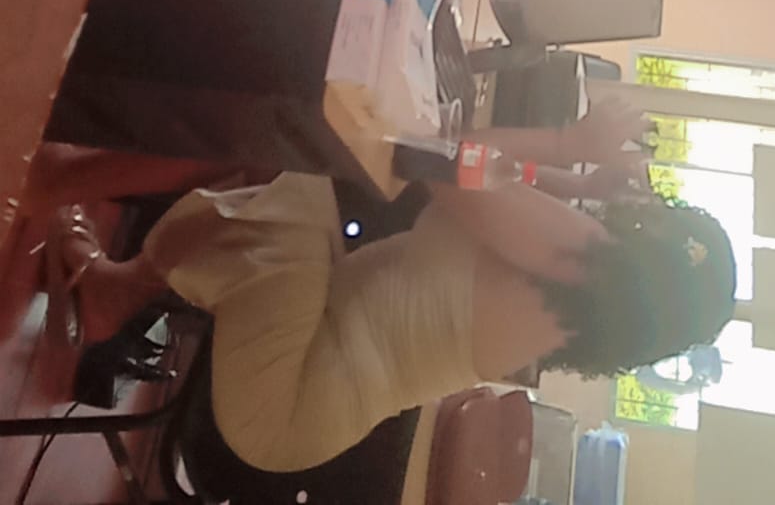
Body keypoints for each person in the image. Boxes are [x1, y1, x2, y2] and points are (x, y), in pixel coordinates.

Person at [41, 102, 735, 475]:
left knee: (294, 140)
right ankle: (111, 292)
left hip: (290, 396)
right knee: (298, 177)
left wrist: (567, 138)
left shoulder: (577, 253)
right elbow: (495, 179)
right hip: (300, 409)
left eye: (659, 220)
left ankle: (45, 178)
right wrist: (577, 178)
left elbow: (434, 157)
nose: (647, 206)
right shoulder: (573, 299)